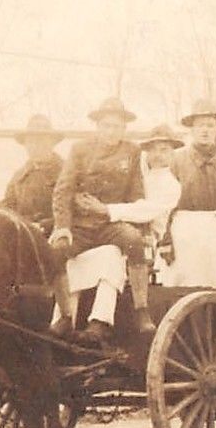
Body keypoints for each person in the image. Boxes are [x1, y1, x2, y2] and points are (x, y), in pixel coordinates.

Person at [49, 96, 150, 344]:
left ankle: (142, 310)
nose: (111, 131)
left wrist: (143, 228)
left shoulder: (132, 151)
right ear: (97, 126)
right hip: (81, 226)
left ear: (124, 128)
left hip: (111, 225)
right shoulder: (80, 150)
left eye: (117, 126)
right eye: (106, 125)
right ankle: (64, 316)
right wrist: (62, 227)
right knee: (56, 251)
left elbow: (137, 193)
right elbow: (63, 189)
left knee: (134, 240)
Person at [83, 123, 183, 279]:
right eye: (152, 150)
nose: (157, 155)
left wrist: (107, 209)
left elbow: (143, 211)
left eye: (164, 150)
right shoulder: (140, 172)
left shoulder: (171, 186)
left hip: (150, 238)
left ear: (172, 153)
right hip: (121, 229)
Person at [166, 99, 216, 287]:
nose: (205, 130)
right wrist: (165, 240)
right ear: (191, 130)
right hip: (184, 232)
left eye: (210, 125)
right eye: (200, 125)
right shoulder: (176, 160)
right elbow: (164, 206)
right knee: (183, 286)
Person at [1, 114, 64, 230]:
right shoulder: (19, 176)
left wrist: (44, 225)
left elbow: (77, 214)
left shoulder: (67, 173)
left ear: (52, 143)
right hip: (24, 234)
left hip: (57, 235)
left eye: (41, 141)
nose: (35, 146)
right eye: (30, 142)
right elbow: (7, 207)